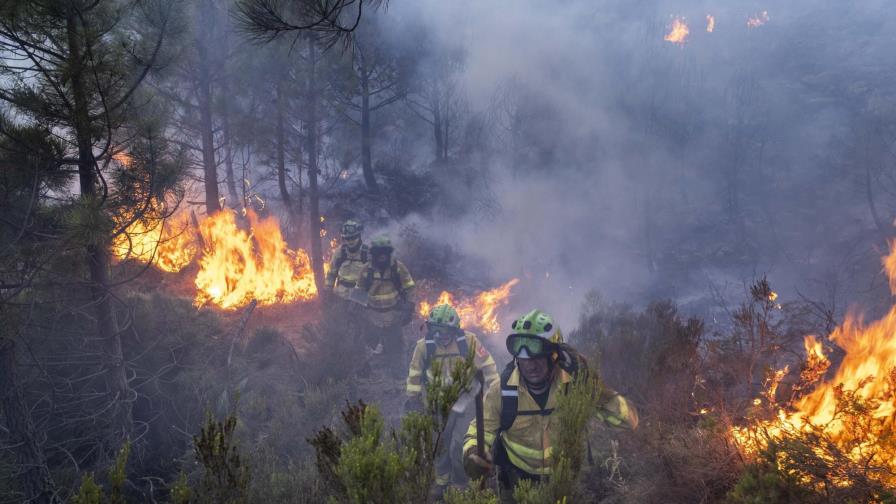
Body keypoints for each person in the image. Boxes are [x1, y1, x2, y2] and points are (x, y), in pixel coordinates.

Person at [462, 309, 638, 502]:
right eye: (523, 357)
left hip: (566, 480)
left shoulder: (575, 387)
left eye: (537, 356)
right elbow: (480, 430)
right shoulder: (502, 392)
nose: (530, 365)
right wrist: (472, 453)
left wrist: (593, 386)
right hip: (517, 483)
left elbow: (629, 422)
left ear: (554, 356)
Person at [405, 304, 499, 494]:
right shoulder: (424, 347)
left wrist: (494, 394)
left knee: (458, 445)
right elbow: (414, 375)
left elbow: (488, 367)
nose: (441, 335)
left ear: (455, 329)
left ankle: (460, 482)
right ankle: (442, 481)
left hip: (466, 403)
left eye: (446, 330)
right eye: (436, 330)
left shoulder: (469, 342)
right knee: (439, 445)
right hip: (437, 405)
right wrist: (413, 399)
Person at [356, 236, 415, 377]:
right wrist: (358, 312)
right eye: (378, 252)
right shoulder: (366, 270)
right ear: (373, 254)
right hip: (372, 317)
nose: (382, 256)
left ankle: (399, 376)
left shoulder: (398, 268)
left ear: (389, 253)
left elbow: (409, 287)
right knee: (366, 345)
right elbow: (359, 293)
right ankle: (365, 373)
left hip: (393, 316)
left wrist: (409, 307)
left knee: (397, 347)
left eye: (385, 252)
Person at [324, 219, 369, 300]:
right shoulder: (340, 252)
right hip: (340, 295)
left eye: (353, 237)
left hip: (360, 299)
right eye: (347, 239)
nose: (350, 241)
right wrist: (328, 291)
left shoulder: (367, 253)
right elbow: (331, 273)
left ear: (359, 236)